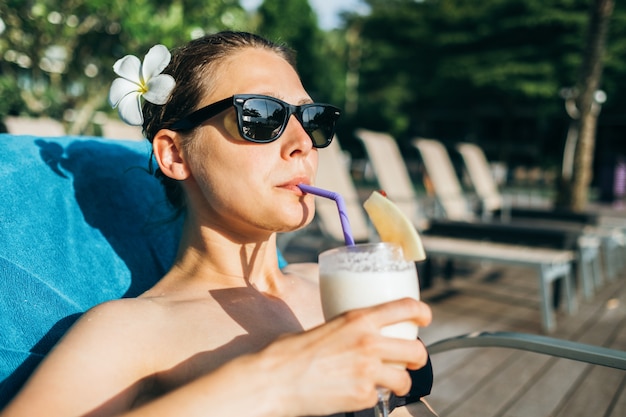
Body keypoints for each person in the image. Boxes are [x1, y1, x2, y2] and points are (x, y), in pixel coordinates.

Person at [0, 31, 433, 417]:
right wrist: (270, 383)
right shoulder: (131, 332)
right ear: (174, 154)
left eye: (312, 119)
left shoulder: (331, 282)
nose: (303, 143)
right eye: (262, 117)